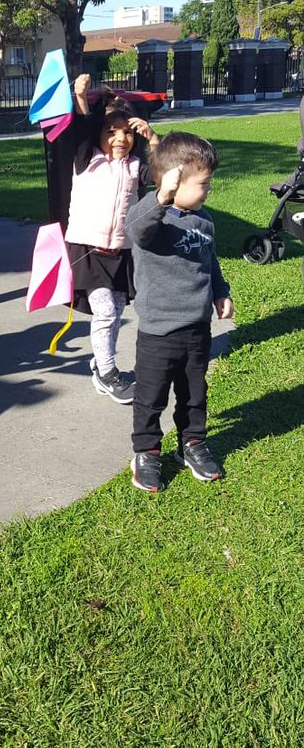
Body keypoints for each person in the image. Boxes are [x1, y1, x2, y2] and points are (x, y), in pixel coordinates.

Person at [126, 132, 234, 493]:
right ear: (174, 181)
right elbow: (136, 230)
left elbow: (210, 260)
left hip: (197, 329)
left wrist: (221, 292)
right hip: (159, 332)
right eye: (203, 183)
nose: (209, 189)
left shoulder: (203, 220)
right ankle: (146, 451)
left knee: (194, 393)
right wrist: (161, 197)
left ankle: (192, 443)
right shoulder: (153, 217)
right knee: (151, 396)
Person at [64, 73, 160, 404]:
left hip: (121, 250)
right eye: (111, 131)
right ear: (99, 134)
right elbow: (80, 129)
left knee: (116, 310)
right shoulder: (86, 160)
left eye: (127, 133)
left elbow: (163, 178)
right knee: (105, 310)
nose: (120, 138)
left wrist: (153, 140)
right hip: (87, 248)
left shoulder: (135, 167)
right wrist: (79, 97)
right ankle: (106, 374)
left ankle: (103, 361)